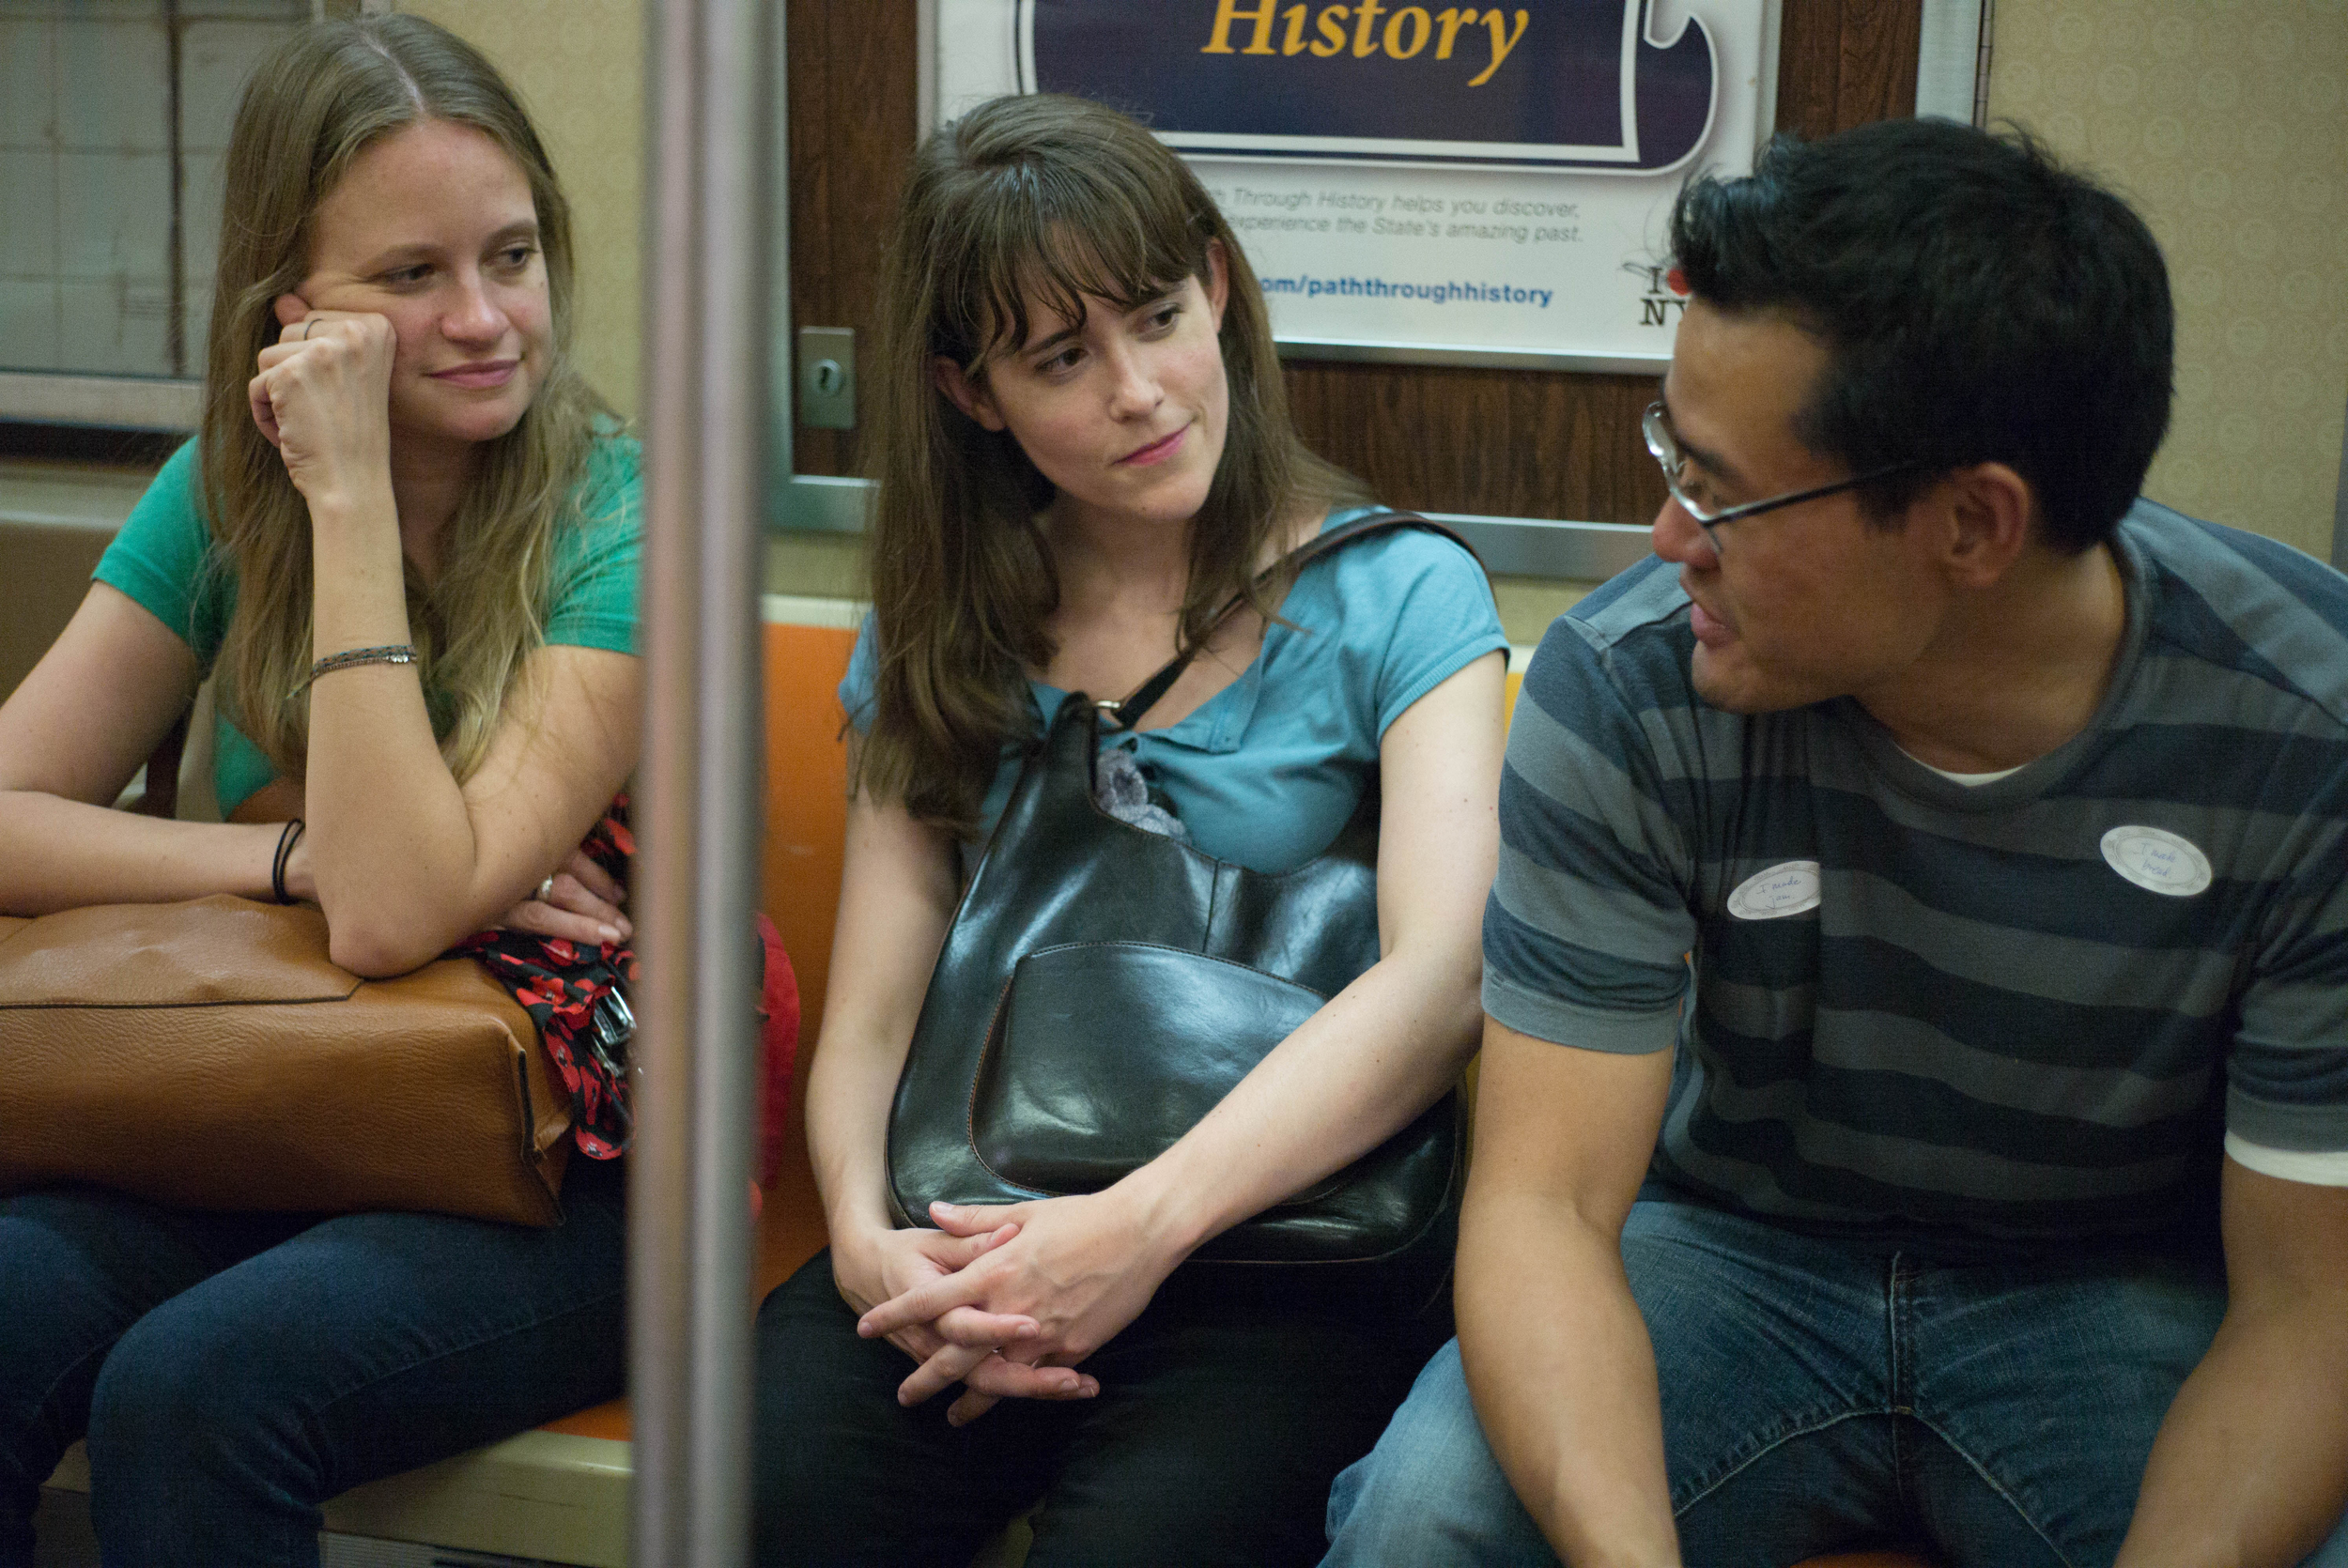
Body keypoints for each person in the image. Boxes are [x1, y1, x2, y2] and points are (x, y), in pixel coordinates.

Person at [1321, 118, 2348, 1568]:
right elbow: (1543, 1204)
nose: (1667, 535)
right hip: (1735, 1255)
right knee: (1422, 1520)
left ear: (1974, 524)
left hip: (2114, 1290)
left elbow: (2313, 1307)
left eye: (1724, 492)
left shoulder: (2307, 732)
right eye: (1672, 449)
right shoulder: (1626, 682)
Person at [750, 93, 1506, 1567]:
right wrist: (860, 1235)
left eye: (1159, 316)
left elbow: (1445, 983)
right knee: (765, 1498)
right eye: (1061, 358)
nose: (1142, 389)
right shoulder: (942, 622)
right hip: (970, 1225)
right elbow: (876, 1013)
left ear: (1217, 287)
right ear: (973, 396)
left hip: (1285, 1253)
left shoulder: (1403, 594)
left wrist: (1141, 1231)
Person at [0, 17, 641, 1564]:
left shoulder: (623, 513)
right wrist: (279, 857)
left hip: (567, 1155)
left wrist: (347, 499)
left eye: (512, 256)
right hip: (273, 1092)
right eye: (411, 277)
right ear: (288, 309)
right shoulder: (223, 489)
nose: (486, 318)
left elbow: (397, 908)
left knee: (196, 1392)